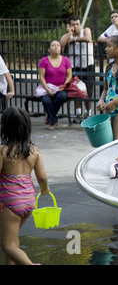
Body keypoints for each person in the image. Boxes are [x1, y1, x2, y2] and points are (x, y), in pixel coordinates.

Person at [0, 107, 50, 265]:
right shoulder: (34, 151)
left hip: (10, 203)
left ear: (5, 127)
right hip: (28, 201)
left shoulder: (3, 151)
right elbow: (42, 177)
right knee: (13, 240)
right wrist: (44, 189)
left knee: (7, 245)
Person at [60, 15, 95, 122]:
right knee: (75, 90)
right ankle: (78, 114)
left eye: (77, 24)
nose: (76, 26)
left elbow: (87, 38)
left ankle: (88, 114)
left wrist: (74, 39)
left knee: (88, 91)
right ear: (69, 26)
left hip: (87, 66)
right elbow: (61, 44)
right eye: (73, 24)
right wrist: (69, 34)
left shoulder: (86, 30)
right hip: (74, 67)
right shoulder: (67, 36)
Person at [37, 40, 72, 130]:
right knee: (46, 100)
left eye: (58, 45)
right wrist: (48, 90)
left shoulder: (66, 60)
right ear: (49, 49)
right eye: (53, 45)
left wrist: (64, 85)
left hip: (61, 87)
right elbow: (41, 77)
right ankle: (54, 121)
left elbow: (69, 75)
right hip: (47, 87)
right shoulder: (43, 61)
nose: (56, 47)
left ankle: (49, 115)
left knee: (62, 97)